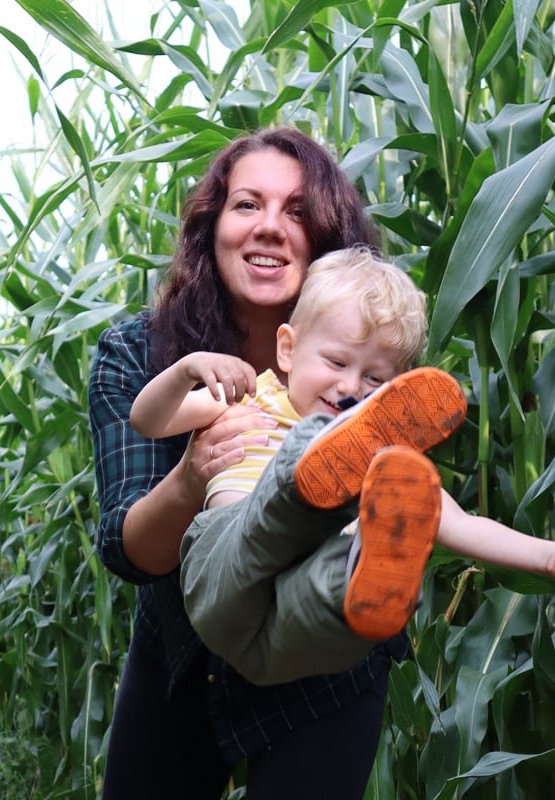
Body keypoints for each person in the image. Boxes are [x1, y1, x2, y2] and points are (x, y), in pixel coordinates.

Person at [129, 248, 555, 687]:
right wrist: (188, 369)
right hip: (226, 574)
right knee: (297, 475)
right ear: (288, 349)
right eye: (337, 361)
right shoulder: (254, 397)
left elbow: (460, 524)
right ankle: (313, 460)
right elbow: (149, 420)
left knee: (346, 579)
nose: (351, 387)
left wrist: (549, 558)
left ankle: (363, 565)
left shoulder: (380, 459)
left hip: (291, 631)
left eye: (375, 378)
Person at [89, 127, 405, 799]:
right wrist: (193, 476)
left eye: (296, 211)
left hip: (324, 656)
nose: (270, 228)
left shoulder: (368, 367)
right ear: (213, 227)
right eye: (247, 205)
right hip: (183, 646)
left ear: (326, 238)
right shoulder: (139, 359)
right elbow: (128, 549)